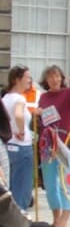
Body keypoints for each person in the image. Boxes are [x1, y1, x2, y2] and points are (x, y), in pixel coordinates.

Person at [37, 65, 70, 227]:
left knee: (67, 181)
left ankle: (63, 223)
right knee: (50, 184)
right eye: (50, 77)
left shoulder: (68, 93)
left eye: (57, 76)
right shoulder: (43, 97)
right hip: (49, 146)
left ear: (61, 78)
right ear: (46, 80)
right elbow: (43, 122)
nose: (54, 79)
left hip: (66, 143)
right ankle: (56, 219)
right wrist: (38, 114)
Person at [2, 66, 35, 212]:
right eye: (27, 77)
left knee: (10, 186)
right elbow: (19, 115)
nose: (30, 80)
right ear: (17, 80)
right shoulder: (19, 98)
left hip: (8, 147)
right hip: (22, 147)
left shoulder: (5, 98)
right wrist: (20, 130)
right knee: (22, 189)